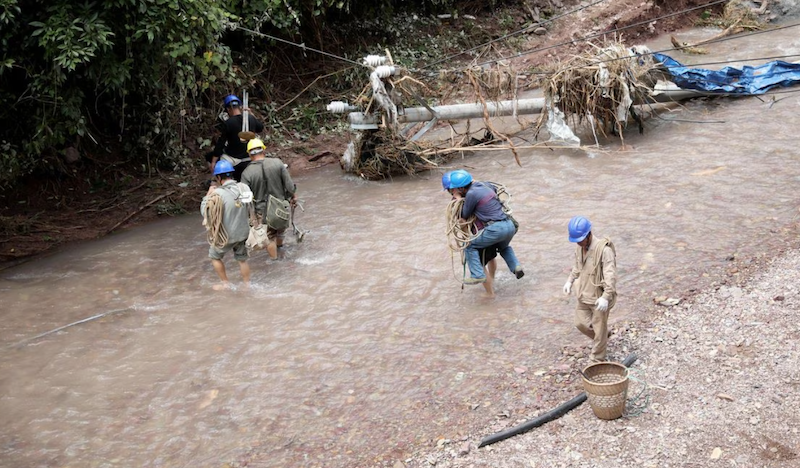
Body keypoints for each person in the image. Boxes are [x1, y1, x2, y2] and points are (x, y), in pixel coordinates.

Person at [448, 169, 523, 285]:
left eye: (454, 189)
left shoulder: (471, 194)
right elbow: (494, 190)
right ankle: (516, 266)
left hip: (496, 228)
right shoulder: (485, 185)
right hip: (509, 225)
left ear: (460, 188)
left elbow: (464, 214)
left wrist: (458, 198)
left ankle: (477, 275)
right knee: (503, 247)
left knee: (469, 246)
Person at [562, 216, 617, 362]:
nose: (578, 243)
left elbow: (610, 275)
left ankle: (596, 359)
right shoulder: (580, 248)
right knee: (580, 323)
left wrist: (606, 297)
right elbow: (577, 266)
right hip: (583, 294)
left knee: (599, 329)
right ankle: (603, 338)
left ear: (588, 234)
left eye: (580, 239)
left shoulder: (604, 251)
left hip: (599, 297)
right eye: (576, 240)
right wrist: (569, 281)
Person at [442, 171, 498, 296]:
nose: (449, 192)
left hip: (479, 233)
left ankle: (490, 293)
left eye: (450, 190)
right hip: (491, 230)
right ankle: (493, 281)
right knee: (491, 257)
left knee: (480, 263)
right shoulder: (479, 188)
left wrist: (467, 240)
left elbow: (462, 221)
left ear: (455, 189)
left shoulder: (459, 202)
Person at [240, 138, 297, 260]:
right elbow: (290, 187)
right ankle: (281, 250)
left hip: (262, 211)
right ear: (263, 150)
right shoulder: (277, 163)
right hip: (281, 206)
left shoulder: (246, 173)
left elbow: (245, 198)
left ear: (249, 154)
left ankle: (275, 262)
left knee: (269, 237)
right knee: (280, 231)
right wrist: (293, 197)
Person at [201, 160, 252, 290]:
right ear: (232, 174)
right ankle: (247, 285)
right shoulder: (243, 187)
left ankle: (225, 283)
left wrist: (207, 196)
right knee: (242, 259)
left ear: (218, 177)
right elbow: (250, 204)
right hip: (243, 232)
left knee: (214, 256)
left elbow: (205, 213)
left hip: (226, 235)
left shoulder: (217, 195)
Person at [206, 94, 264, 181]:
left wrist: (213, 162)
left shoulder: (229, 123)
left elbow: (220, 144)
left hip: (235, 158)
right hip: (250, 154)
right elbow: (260, 128)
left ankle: (217, 181)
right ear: (240, 107)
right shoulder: (250, 118)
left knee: (212, 157)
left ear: (228, 109)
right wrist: (251, 114)